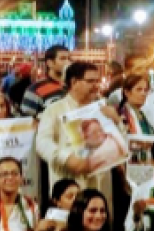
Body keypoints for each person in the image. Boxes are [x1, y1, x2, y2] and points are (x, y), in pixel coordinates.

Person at [35, 62, 120, 205]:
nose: (96, 85)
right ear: (74, 82)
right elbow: (42, 143)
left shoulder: (103, 108)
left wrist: (116, 121)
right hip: (69, 178)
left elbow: (121, 143)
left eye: (97, 81)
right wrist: (67, 158)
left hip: (100, 180)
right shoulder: (55, 109)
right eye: (90, 81)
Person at [0, 157, 41, 231]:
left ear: (21, 178)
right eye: (4, 174)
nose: (10, 177)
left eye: (14, 173)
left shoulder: (31, 206)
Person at [21, 45, 70, 118]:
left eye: (69, 59)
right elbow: (27, 119)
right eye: (62, 59)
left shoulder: (74, 86)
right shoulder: (35, 89)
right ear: (50, 63)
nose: (67, 62)